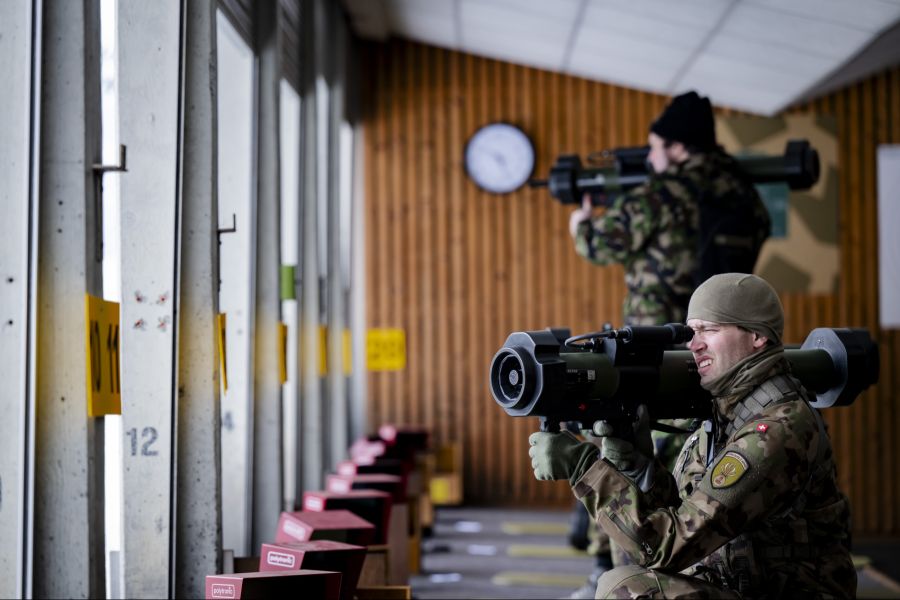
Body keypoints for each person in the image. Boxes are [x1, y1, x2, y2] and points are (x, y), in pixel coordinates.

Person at [529, 273, 856, 598]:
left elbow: (666, 547)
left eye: (709, 330)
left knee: (628, 590)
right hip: (739, 585)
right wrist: (642, 469)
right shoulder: (724, 412)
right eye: (692, 330)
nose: (694, 344)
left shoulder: (775, 431)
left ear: (757, 336)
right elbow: (687, 517)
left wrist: (582, 468)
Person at [563, 90, 771, 597]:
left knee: (632, 456)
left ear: (677, 147)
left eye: (656, 147)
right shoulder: (745, 194)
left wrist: (580, 224)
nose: (651, 158)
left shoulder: (664, 192)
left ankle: (617, 571)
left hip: (653, 349)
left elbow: (601, 242)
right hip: (728, 352)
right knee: (701, 465)